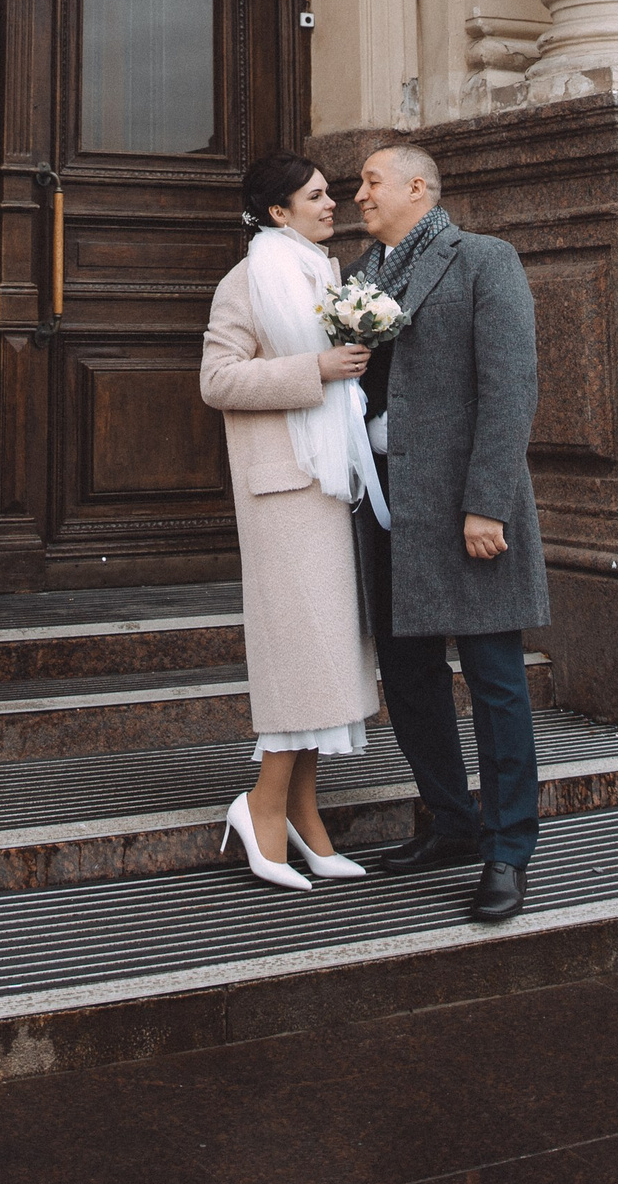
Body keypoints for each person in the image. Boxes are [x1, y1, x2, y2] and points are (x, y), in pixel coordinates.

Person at [351, 139, 548, 925]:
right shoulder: (361, 274)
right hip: (387, 505)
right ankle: (451, 820)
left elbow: (511, 386)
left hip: (466, 507)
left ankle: (508, 849)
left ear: (417, 187)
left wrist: (488, 503)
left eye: (371, 181)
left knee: (495, 680)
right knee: (408, 676)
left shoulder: (484, 260)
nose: (359, 194)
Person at [200, 150, 383, 891]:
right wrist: (316, 371)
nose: (331, 203)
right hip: (281, 490)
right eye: (315, 195)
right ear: (278, 211)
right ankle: (261, 805)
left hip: (329, 482)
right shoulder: (247, 279)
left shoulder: (324, 274)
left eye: (329, 193)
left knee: (325, 651)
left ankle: (304, 813)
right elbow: (217, 379)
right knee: (300, 653)